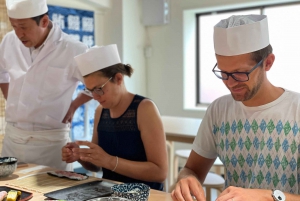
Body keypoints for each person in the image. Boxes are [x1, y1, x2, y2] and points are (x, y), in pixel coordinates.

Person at [171, 15, 300, 201]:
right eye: (223, 73)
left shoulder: (296, 111)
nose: (230, 83)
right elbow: (192, 170)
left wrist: (267, 196)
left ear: (268, 63)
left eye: (240, 73)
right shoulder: (219, 110)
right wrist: (186, 180)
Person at [0, 0, 92, 170]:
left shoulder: (73, 49)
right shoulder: (9, 41)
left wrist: (74, 104)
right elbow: (1, 72)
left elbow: (98, 84)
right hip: (13, 140)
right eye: (14, 26)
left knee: (52, 194)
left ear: (43, 21)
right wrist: (10, 98)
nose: (19, 34)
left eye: (24, 27)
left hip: (51, 145)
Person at [61, 44, 168, 190]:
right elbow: (97, 166)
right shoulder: (101, 111)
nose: (95, 97)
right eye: (91, 91)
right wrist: (80, 155)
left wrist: (110, 161)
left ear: (118, 79)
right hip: (109, 193)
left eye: (99, 89)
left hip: (145, 195)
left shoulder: (144, 109)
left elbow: (160, 172)